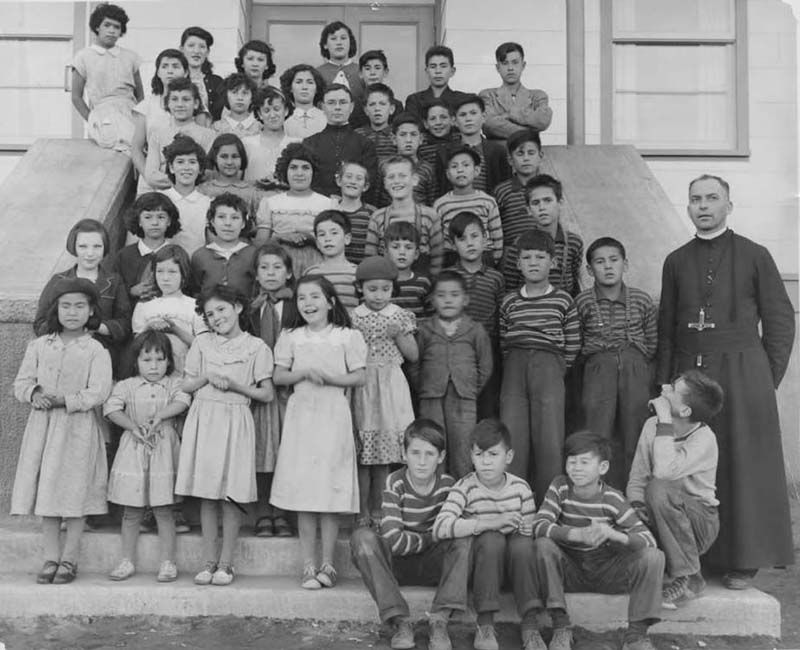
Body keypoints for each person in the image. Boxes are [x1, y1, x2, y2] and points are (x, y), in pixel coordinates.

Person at [656, 174, 796, 589]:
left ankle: (743, 559)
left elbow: (780, 320)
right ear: (688, 207)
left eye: (712, 198)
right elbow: (666, 329)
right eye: (695, 198)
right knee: (691, 466)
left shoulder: (756, 254)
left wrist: (763, 376)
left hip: (743, 370)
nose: (703, 205)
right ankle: (697, 555)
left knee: (740, 463)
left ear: (728, 206)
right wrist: (666, 384)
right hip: (689, 370)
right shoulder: (676, 260)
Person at [12, 277, 113, 584]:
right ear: (55, 310)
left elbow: (99, 391)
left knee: (74, 491)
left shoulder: (95, 349)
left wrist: (67, 400)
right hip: (43, 428)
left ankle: (69, 559)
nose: (72, 312)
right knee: (48, 490)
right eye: (65, 306)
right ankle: (50, 557)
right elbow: (21, 383)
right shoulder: (40, 346)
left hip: (78, 428)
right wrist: (35, 393)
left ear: (91, 310)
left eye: (80, 306)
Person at [269, 275, 367, 589]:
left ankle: (328, 563)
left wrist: (330, 377)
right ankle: (308, 565)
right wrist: (303, 373)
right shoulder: (291, 336)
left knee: (328, 488)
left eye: (315, 297)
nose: (308, 303)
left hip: (333, 415)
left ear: (330, 301)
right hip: (302, 417)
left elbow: (359, 377)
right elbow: (278, 375)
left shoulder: (346, 336)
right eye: (302, 298)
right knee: (305, 492)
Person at [175, 284, 274, 586]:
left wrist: (235, 386)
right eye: (210, 314)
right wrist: (206, 377)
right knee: (207, 494)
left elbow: (267, 393)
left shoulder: (257, 347)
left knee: (231, 495)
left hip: (236, 417)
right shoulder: (202, 344)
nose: (216, 317)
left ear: (238, 308)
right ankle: (207, 561)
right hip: (204, 417)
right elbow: (185, 385)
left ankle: (226, 564)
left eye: (221, 309)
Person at [531, 431, 664, 650]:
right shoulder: (560, 486)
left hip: (608, 570)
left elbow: (648, 540)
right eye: (572, 461)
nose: (576, 468)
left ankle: (636, 637)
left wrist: (614, 535)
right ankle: (561, 628)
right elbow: (539, 524)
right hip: (570, 569)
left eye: (584, 462)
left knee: (653, 557)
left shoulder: (613, 499)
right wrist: (576, 534)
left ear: (602, 468)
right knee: (543, 545)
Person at [350, 419, 466, 650]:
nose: (422, 462)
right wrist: (432, 536)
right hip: (397, 566)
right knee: (362, 538)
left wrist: (432, 537)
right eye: (415, 453)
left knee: (464, 539)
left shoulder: (449, 485)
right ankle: (400, 621)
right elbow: (394, 541)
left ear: (441, 457)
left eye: (429, 454)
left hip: (435, 564)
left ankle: (440, 621)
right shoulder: (395, 482)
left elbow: (451, 531)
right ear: (404, 454)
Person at [433, 419, 538, 650]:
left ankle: (530, 626)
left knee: (523, 544)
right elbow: (440, 526)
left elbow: (532, 529)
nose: (486, 462)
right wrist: (489, 523)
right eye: (479, 455)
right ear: (471, 456)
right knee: (491, 539)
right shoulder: (465, 487)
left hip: (515, 570)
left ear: (508, 457)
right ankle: (485, 624)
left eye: (493, 454)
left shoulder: (521, 488)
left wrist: (528, 528)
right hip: (483, 572)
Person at [627, 370, 724, 609]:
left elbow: (663, 472)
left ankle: (690, 578)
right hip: (659, 516)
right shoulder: (652, 425)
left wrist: (665, 421)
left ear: (685, 411)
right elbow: (638, 476)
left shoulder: (704, 438)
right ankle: (669, 573)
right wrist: (636, 509)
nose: (663, 390)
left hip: (698, 522)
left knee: (659, 488)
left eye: (672, 390)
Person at [499, 230, 580, 501]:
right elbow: (503, 339)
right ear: (518, 263)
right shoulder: (509, 301)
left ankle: (550, 501)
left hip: (550, 366)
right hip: (515, 366)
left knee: (550, 435)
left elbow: (572, 341)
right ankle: (515, 500)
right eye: (527, 257)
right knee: (513, 432)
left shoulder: (563, 300)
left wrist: (557, 368)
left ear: (553, 262)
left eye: (540, 257)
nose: (533, 262)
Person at [105, 331, 190, 583]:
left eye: (160, 359)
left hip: (163, 447)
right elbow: (110, 408)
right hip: (134, 448)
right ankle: (127, 560)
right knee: (132, 511)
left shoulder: (175, 383)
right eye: (146, 360)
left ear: (168, 362)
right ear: (135, 361)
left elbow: (183, 401)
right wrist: (132, 426)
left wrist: (160, 417)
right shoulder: (126, 385)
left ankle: (167, 562)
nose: (153, 366)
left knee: (164, 510)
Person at [573, 237, 657, 487]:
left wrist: (634, 365)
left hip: (635, 370)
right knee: (597, 432)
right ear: (589, 270)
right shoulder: (583, 302)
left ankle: (635, 497)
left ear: (625, 264)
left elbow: (652, 344)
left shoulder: (642, 300)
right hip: (598, 371)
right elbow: (577, 344)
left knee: (636, 432)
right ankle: (596, 495)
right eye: (600, 262)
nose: (608, 266)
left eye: (614, 260)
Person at [352, 256, 418, 526]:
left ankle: (381, 512)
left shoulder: (400, 316)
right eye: (372, 289)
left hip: (391, 386)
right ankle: (361, 513)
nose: (379, 295)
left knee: (384, 457)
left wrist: (398, 334)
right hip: (365, 386)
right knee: (364, 457)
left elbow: (413, 354)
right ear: (360, 289)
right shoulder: (354, 317)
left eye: (385, 289)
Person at [416, 271, 493, 478]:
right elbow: (416, 363)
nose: (448, 300)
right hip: (431, 397)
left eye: (454, 295)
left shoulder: (475, 330)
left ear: (465, 299)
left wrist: (472, 389)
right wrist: (424, 387)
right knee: (433, 444)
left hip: (464, 398)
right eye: (441, 295)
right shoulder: (425, 330)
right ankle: (435, 494)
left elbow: (485, 366)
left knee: (462, 446)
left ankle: (463, 494)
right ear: (433, 300)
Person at [34, 219, 130, 378]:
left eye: (97, 246)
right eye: (83, 246)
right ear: (74, 248)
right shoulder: (58, 281)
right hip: (62, 357)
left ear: (105, 248)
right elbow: (40, 323)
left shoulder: (114, 281)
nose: (90, 253)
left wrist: (95, 326)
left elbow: (125, 324)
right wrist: (67, 327)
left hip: (102, 356)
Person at [248, 244, 295, 538]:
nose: (271, 273)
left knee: (286, 452)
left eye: (277, 267)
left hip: (289, 392)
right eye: (264, 267)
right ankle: (264, 512)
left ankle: (282, 512)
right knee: (262, 451)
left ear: (289, 273)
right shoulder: (251, 308)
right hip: (259, 390)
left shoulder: (297, 305)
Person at [446, 212, 506, 420]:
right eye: (462, 239)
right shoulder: (448, 278)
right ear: (453, 245)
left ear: (486, 238)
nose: (469, 243)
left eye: (474, 236)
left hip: (488, 350)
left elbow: (501, 315)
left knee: (487, 407)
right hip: (458, 352)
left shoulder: (496, 278)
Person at [71, 3, 143, 152]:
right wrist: (92, 118)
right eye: (107, 25)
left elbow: (140, 95)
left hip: (131, 113)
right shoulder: (84, 57)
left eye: (116, 27)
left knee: (138, 150)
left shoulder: (130, 57)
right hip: (103, 116)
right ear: (97, 27)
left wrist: (141, 120)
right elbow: (76, 97)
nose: (111, 31)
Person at [254, 142, 333, 275]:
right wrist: (281, 237)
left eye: (305, 168)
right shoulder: (271, 203)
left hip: (316, 267)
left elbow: (333, 244)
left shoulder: (327, 204)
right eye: (294, 168)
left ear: (314, 172)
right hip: (278, 268)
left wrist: (310, 238)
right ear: (285, 170)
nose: (299, 173)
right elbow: (260, 244)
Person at [363, 155, 444, 276]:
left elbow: (437, 257)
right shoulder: (377, 217)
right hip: (387, 286)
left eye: (402, 176)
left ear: (415, 180)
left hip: (422, 286)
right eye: (391, 177)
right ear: (385, 183)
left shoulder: (430, 216)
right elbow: (370, 259)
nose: (396, 181)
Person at [131, 244, 206, 375]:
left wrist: (175, 330)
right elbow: (136, 345)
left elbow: (201, 346)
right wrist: (149, 327)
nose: (165, 278)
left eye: (172, 272)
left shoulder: (194, 306)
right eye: (160, 271)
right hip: (152, 373)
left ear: (184, 274)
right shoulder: (144, 305)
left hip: (184, 372)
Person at [505, 174, 583, 295]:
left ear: (560, 203)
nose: (542, 207)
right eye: (536, 203)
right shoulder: (518, 245)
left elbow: (574, 282)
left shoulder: (573, 243)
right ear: (529, 210)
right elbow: (510, 289)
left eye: (548, 201)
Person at [303, 83, 378, 200]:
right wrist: (327, 198)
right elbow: (306, 180)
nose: (337, 107)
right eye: (331, 103)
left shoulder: (365, 144)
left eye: (343, 102)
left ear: (351, 107)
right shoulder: (310, 143)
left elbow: (371, 181)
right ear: (322, 107)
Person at [104, 192, 181, 306]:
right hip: (130, 318)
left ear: (169, 221)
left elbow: (187, 290)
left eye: (161, 217)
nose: (155, 222)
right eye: (148, 217)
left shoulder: (178, 254)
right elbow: (112, 290)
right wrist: (131, 291)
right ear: (139, 221)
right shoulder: (124, 256)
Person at [131, 48, 191, 194]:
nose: (170, 71)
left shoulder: (194, 105)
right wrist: (148, 176)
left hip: (186, 179)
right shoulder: (146, 106)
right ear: (158, 72)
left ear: (186, 72)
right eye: (164, 66)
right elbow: (136, 149)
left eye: (175, 66)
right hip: (152, 178)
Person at [434, 145, 503, 267]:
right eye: (454, 166)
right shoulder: (441, 205)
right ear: (448, 174)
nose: (460, 170)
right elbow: (437, 239)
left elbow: (496, 236)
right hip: (452, 259)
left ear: (476, 171)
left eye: (466, 165)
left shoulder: (487, 202)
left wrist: (494, 261)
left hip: (484, 258)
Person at [143, 78, 216, 193]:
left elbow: (209, 173)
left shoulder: (209, 136)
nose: (180, 104)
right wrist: (179, 181)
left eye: (186, 99)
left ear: (196, 103)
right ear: (167, 104)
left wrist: (187, 181)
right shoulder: (157, 135)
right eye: (174, 99)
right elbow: (151, 174)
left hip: (198, 194)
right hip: (165, 195)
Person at [493, 129, 544, 286]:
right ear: (510, 159)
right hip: (511, 259)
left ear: (540, 156)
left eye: (531, 152)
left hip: (542, 256)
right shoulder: (502, 191)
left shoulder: (548, 189)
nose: (526, 158)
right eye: (520, 154)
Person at [479, 42, 552, 140]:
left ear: (523, 65)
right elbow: (489, 124)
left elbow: (543, 121)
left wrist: (510, 115)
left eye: (515, 62)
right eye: (505, 63)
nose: (510, 68)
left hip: (527, 152)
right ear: (498, 68)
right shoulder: (488, 95)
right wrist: (530, 132)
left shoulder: (537, 96)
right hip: (498, 152)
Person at [191, 193, 257, 298]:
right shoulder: (199, 256)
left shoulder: (254, 254)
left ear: (244, 223)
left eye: (235, 218)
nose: (228, 223)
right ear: (212, 221)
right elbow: (194, 291)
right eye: (221, 217)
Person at [443, 95, 511, 196]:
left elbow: (505, 186)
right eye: (462, 115)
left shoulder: (498, 151)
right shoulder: (444, 152)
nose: (468, 119)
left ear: (483, 117)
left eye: (473, 113)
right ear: (454, 121)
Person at [158, 134, 212, 256]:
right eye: (180, 162)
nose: (186, 168)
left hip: (196, 266)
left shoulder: (207, 203)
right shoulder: (159, 199)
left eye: (192, 162)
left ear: (200, 169)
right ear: (171, 167)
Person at [198, 133, 264, 218]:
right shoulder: (203, 191)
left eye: (235, 156)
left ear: (242, 158)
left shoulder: (253, 194)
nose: (229, 162)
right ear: (215, 158)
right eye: (224, 156)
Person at [242, 87, 299, 184]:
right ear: (259, 114)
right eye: (266, 110)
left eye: (277, 109)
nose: (272, 115)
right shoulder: (246, 143)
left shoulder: (297, 144)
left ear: (285, 111)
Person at [305, 210, 359, 310]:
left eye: (334, 233)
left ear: (347, 238)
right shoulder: (311, 273)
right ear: (317, 242)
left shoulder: (357, 272)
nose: (327, 239)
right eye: (322, 234)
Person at [405, 46, 469, 122]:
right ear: (426, 71)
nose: (438, 71)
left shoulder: (462, 100)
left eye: (443, 66)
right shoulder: (414, 100)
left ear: (452, 71)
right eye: (433, 66)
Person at [331, 160, 375, 265]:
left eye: (359, 178)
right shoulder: (330, 209)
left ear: (365, 186)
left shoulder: (373, 214)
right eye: (349, 176)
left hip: (363, 270)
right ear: (339, 181)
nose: (353, 181)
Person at [392, 112, 440, 206]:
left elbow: (432, 201)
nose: (408, 140)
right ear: (394, 139)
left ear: (421, 139)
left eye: (413, 134)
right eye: (403, 135)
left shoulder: (427, 169)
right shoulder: (385, 166)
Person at [385, 221, 431, 318]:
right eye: (395, 247)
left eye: (408, 247)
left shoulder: (423, 283)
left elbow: (430, 317)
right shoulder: (380, 283)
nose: (402, 252)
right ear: (386, 252)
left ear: (416, 254)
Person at [350, 50, 405, 129]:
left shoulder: (396, 105)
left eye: (377, 68)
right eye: (367, 68)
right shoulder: (353, 104)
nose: (372, 72)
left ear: (385, 72)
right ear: (360, 74)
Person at [180, 26, 224, 121]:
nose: (196, 51)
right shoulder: (175, 80)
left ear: (207, 52)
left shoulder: (217, 82)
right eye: (191, 46)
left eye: (202, 47)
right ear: (182, 49)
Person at [316, 21, 365, 108]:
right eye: (333, 39)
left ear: (350, 43)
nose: (339, 42)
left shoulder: (362, 71)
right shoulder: (317, 73)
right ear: (325, 45)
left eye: (343, 38)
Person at [355, 83, 399, 169]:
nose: (377, 109)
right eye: (372, 104)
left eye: (382, 104)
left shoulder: (397, 134)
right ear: (366, 110)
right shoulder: (357, 135)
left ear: (391, 109)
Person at [280, 64, 327, 140]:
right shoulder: (282, 119)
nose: (304, 87)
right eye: (298, 82)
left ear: (317, 89)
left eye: (310, 82)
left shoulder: (326, 118)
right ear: (290, 88)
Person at [418, 99, 458, 165]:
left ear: (452, 120)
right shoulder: (420, 144)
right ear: (425, 124)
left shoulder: (461, 140)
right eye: (433, 119)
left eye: (443, 117)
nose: (438, 122)